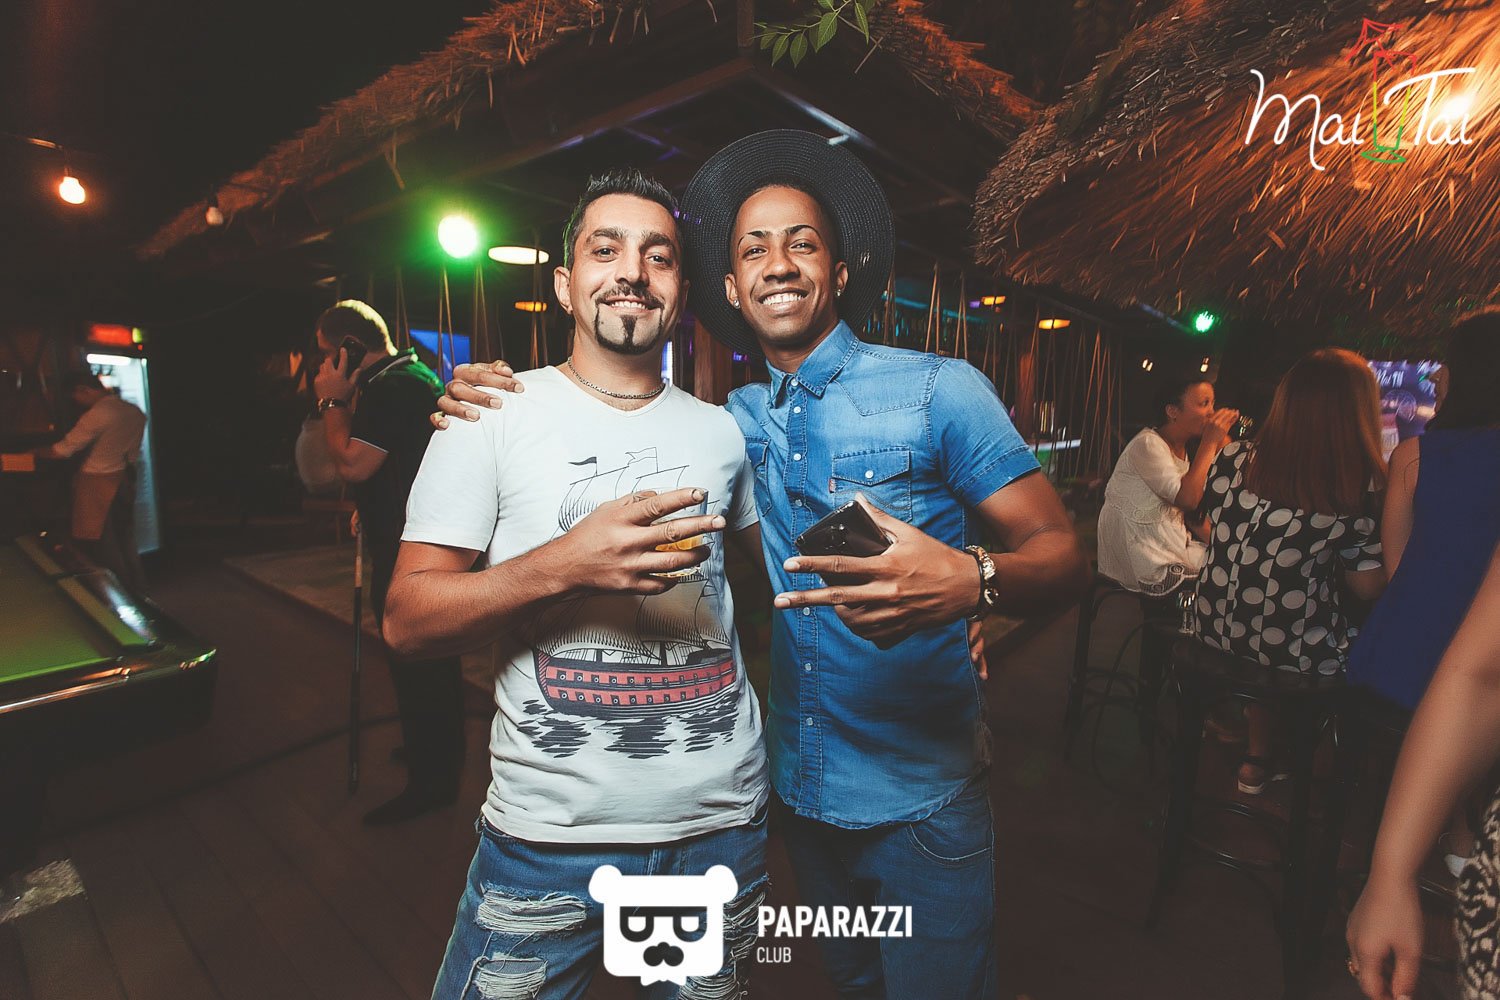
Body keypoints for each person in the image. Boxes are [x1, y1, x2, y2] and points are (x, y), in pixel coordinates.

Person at [437, 132, 1088, 1000]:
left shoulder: (940, 390)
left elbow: (1064, 557)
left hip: (922, 801)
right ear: (731, 289)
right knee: (852, 985)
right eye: (753, 250)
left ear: (840, 273)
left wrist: (974, 583)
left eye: (802, 243)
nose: (778, 263)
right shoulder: (729, 423)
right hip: (797, 796)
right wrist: (479, 389)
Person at [381, 170, 770, 999]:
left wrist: (953, 599)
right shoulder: (488, 414)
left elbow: (785, 582)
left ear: (681, 290)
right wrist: (564, 565)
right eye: (606, 249)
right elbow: (407, 621)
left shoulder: (723, 433)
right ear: (564, 285)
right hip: (547, 839)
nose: (632, 271)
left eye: (657, 255)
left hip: (719, 825)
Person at [1192, 348, 1388, 794]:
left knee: (1274, 618)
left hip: (1213, 629)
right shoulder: (1356, 483)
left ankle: (1257, 758)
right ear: (1358, 412)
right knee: (1362, 646)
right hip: (1290, 652)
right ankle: (1319, 772)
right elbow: (1366, 586)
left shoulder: (1233, 457)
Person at [1347, 308, 1500, 873]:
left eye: (1445, 363)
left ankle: (1425, 836)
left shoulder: (1412, 456)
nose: (1434, 375)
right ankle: (1460, 829)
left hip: (1403, 661)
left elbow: (1398, 570)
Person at [311, 300, 464, 826]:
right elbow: (405, 459)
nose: (324, 366)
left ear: (349, 349)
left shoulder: (388, 388)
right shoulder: (413, 373)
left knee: (414, 656)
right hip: (417, 534)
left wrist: (333, 402)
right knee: (429, 661)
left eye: (328, 355)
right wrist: (372, 503)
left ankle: (432, 782)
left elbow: (353, 464)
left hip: (407, 549)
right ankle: (435, 754)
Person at [1346, 541, 1500, 1000]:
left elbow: (1391, 570)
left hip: (1401, 656)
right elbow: (1483, 675)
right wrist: (1391, 871)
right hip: (1414, 663)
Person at [1096, 375, 1240, 595]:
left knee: (1236, 566)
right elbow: (1187, 500)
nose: (1212, 412)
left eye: (1213, 403)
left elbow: (1191, 516)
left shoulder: (1184, 449)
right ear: (1172, 411)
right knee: (1222, 579)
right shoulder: (1148, 444)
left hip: (1170, 543)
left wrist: (1228, 549)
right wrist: (1210, 442)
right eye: (1204, 404)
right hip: (1143, 552)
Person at [33, 371, 148, 592]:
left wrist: (32, 453)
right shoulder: (133, 411)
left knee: (103, 546)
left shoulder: (98, 414)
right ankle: (139, 590)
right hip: (124, 480)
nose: (75, 401)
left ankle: (115, 593)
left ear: (83, 390)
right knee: (125, 540)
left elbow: (62, 451)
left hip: (97, 483)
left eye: (75, 396)